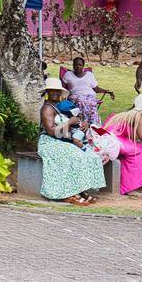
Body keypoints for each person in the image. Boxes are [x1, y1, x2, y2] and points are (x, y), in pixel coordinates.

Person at [38, 77, 106, 205]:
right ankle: (67, 193)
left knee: (90, 155)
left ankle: (80, 189)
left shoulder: (61, 105)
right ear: (47, 92)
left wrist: (83, 123)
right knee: (74, 156)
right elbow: (51, 131)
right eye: (52, 90)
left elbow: (77, 118)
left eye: (57, 91)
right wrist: (70, 122)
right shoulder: (47, 108)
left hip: (63, 140)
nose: (55, 93)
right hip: (50, 142)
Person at [60, 56, 114, 127]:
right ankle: (87, 124)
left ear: (83, 66)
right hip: (75, 97)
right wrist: (65, 94)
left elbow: (96, 89)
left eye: (80, 65)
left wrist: (106, 91)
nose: (78, 66)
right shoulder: (68, 74)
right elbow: (62, 88)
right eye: (76, 65)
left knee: (89, 103)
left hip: (90, 96)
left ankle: (93, 125)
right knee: (81, 101)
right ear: (73, 65)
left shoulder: (89, 75)